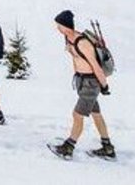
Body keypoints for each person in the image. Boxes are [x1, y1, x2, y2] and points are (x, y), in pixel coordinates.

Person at [49, 10, 114, 160]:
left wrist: (104, 85)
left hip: (91, 82)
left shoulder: (83, 43)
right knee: (96, 114)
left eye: (59, 25)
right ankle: (108, 148)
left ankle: (68, 147)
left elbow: (96, 66)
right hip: (82, 80)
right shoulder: (68, 38)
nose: (57, 28)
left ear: (66, 26)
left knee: (77, 114)